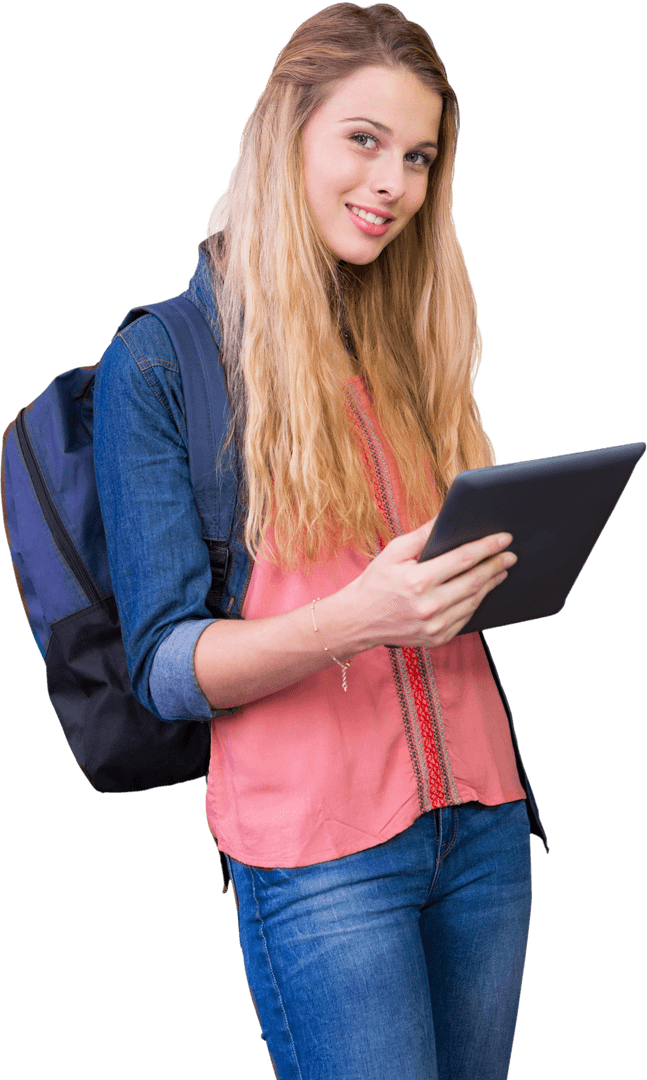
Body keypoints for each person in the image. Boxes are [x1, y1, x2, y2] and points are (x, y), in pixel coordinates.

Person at [93, 5, 548, 1078]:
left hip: (483, 823)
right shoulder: (161, 363)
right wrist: (358, 618)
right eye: (363, 139)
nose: (393, 181)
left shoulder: (407, 338)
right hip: (320, 860)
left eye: (418, 156)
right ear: (285, 131)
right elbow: (164, 668)